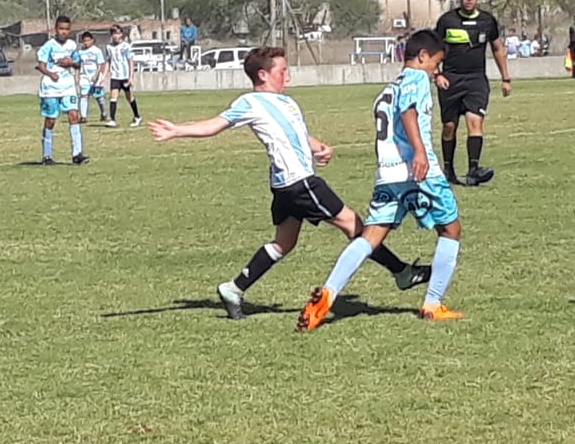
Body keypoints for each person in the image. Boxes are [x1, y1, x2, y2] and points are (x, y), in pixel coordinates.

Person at [147, 46, 431, 320]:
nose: (288, 76)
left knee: (283, 243)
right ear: (263, 75)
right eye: (282, 71)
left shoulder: (288, 102)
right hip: (300, 183)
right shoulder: (250, 102)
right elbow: (215, 125)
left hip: (285, 186)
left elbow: (296, 134)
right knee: (355, 226)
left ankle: (233, 289)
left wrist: (318, 147)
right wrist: (177, 131)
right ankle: (402, 272)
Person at [297, 29, 462, 331]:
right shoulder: (416, 79)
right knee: (451, 230)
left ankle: (328, 294)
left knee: (370, 237)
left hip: (388, 173)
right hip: (419, 170)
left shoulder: (390, 87)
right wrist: (420, 152)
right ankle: (432, 304)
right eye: (435, 64)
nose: (435, 71)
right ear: (422, 56)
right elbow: (409, 113)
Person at [434, 0, 512, 186]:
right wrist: (437, 75)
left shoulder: (487, 21)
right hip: (450, 80)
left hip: (476, 80)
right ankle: (448, 171)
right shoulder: (447, 21)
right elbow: (434, 50)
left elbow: (498, 48)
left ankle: (473, 170)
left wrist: (506, 78)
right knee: (449, 126)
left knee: (475, 122)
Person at [35, 15, 88, 165]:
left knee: (74, 115)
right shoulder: (48, 46)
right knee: (51, 120)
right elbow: (41, 65)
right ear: (55, 29)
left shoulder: (72, 45)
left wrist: (71, 63)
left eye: (66, 29)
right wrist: (50, 74)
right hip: (50, 88)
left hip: (68, 86)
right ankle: (47, 155)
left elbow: (78, 64)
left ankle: (77, 154)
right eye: (61, 29)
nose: (64, 32)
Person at [104, 24, 143, 128]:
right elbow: (108, 61)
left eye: (118, 33)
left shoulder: (125, 46)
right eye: (114, 33)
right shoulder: (109, 47)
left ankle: (137, 116)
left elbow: (130, 61)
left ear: (121, 34)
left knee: (129, 97)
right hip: (115, 76)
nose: (116, 36)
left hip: (124, 76)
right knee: (113, 97)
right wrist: (104, 76)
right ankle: (112, 120)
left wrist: (131, 77)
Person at [76, 31, 108, 124]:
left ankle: (104, 113)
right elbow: (78, 65)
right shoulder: (80, 52)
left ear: (92, 40)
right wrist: (77, 76)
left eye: (88, 40)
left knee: (99, 96)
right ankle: (83, 117)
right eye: (84, 41)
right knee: (84, 95)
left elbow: (100, 64)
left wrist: (96, 75)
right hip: (84, 76)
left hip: (95, 76)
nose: (86, 43)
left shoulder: (96, 51)